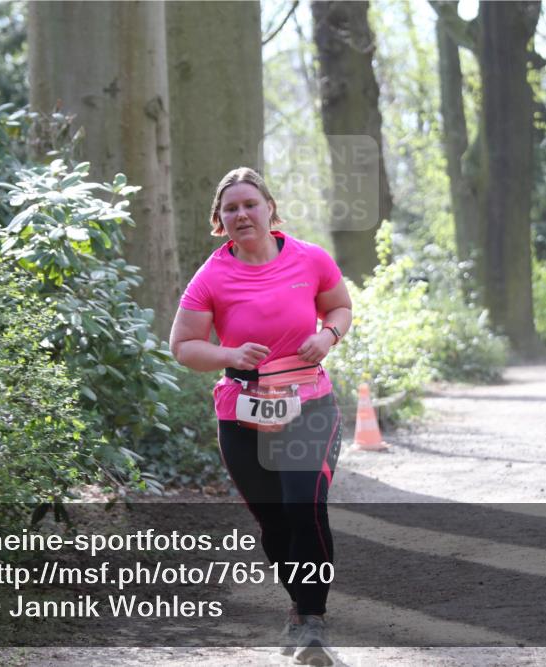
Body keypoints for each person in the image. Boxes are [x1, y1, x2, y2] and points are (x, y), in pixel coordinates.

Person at [169, 167, 352, 666]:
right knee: (272, 519)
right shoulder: (211, 276)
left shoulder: (309, 258)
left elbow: (339, 307)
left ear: (270, 208)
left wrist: (329, 336)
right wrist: (229, 355)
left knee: (304, 505)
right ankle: (299, 606)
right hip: (242, 411)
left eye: (250, 204)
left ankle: (313, 621)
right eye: (231, 208)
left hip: (308, 403)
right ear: (219, 220)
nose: (241, 214)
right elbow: (182, 346)